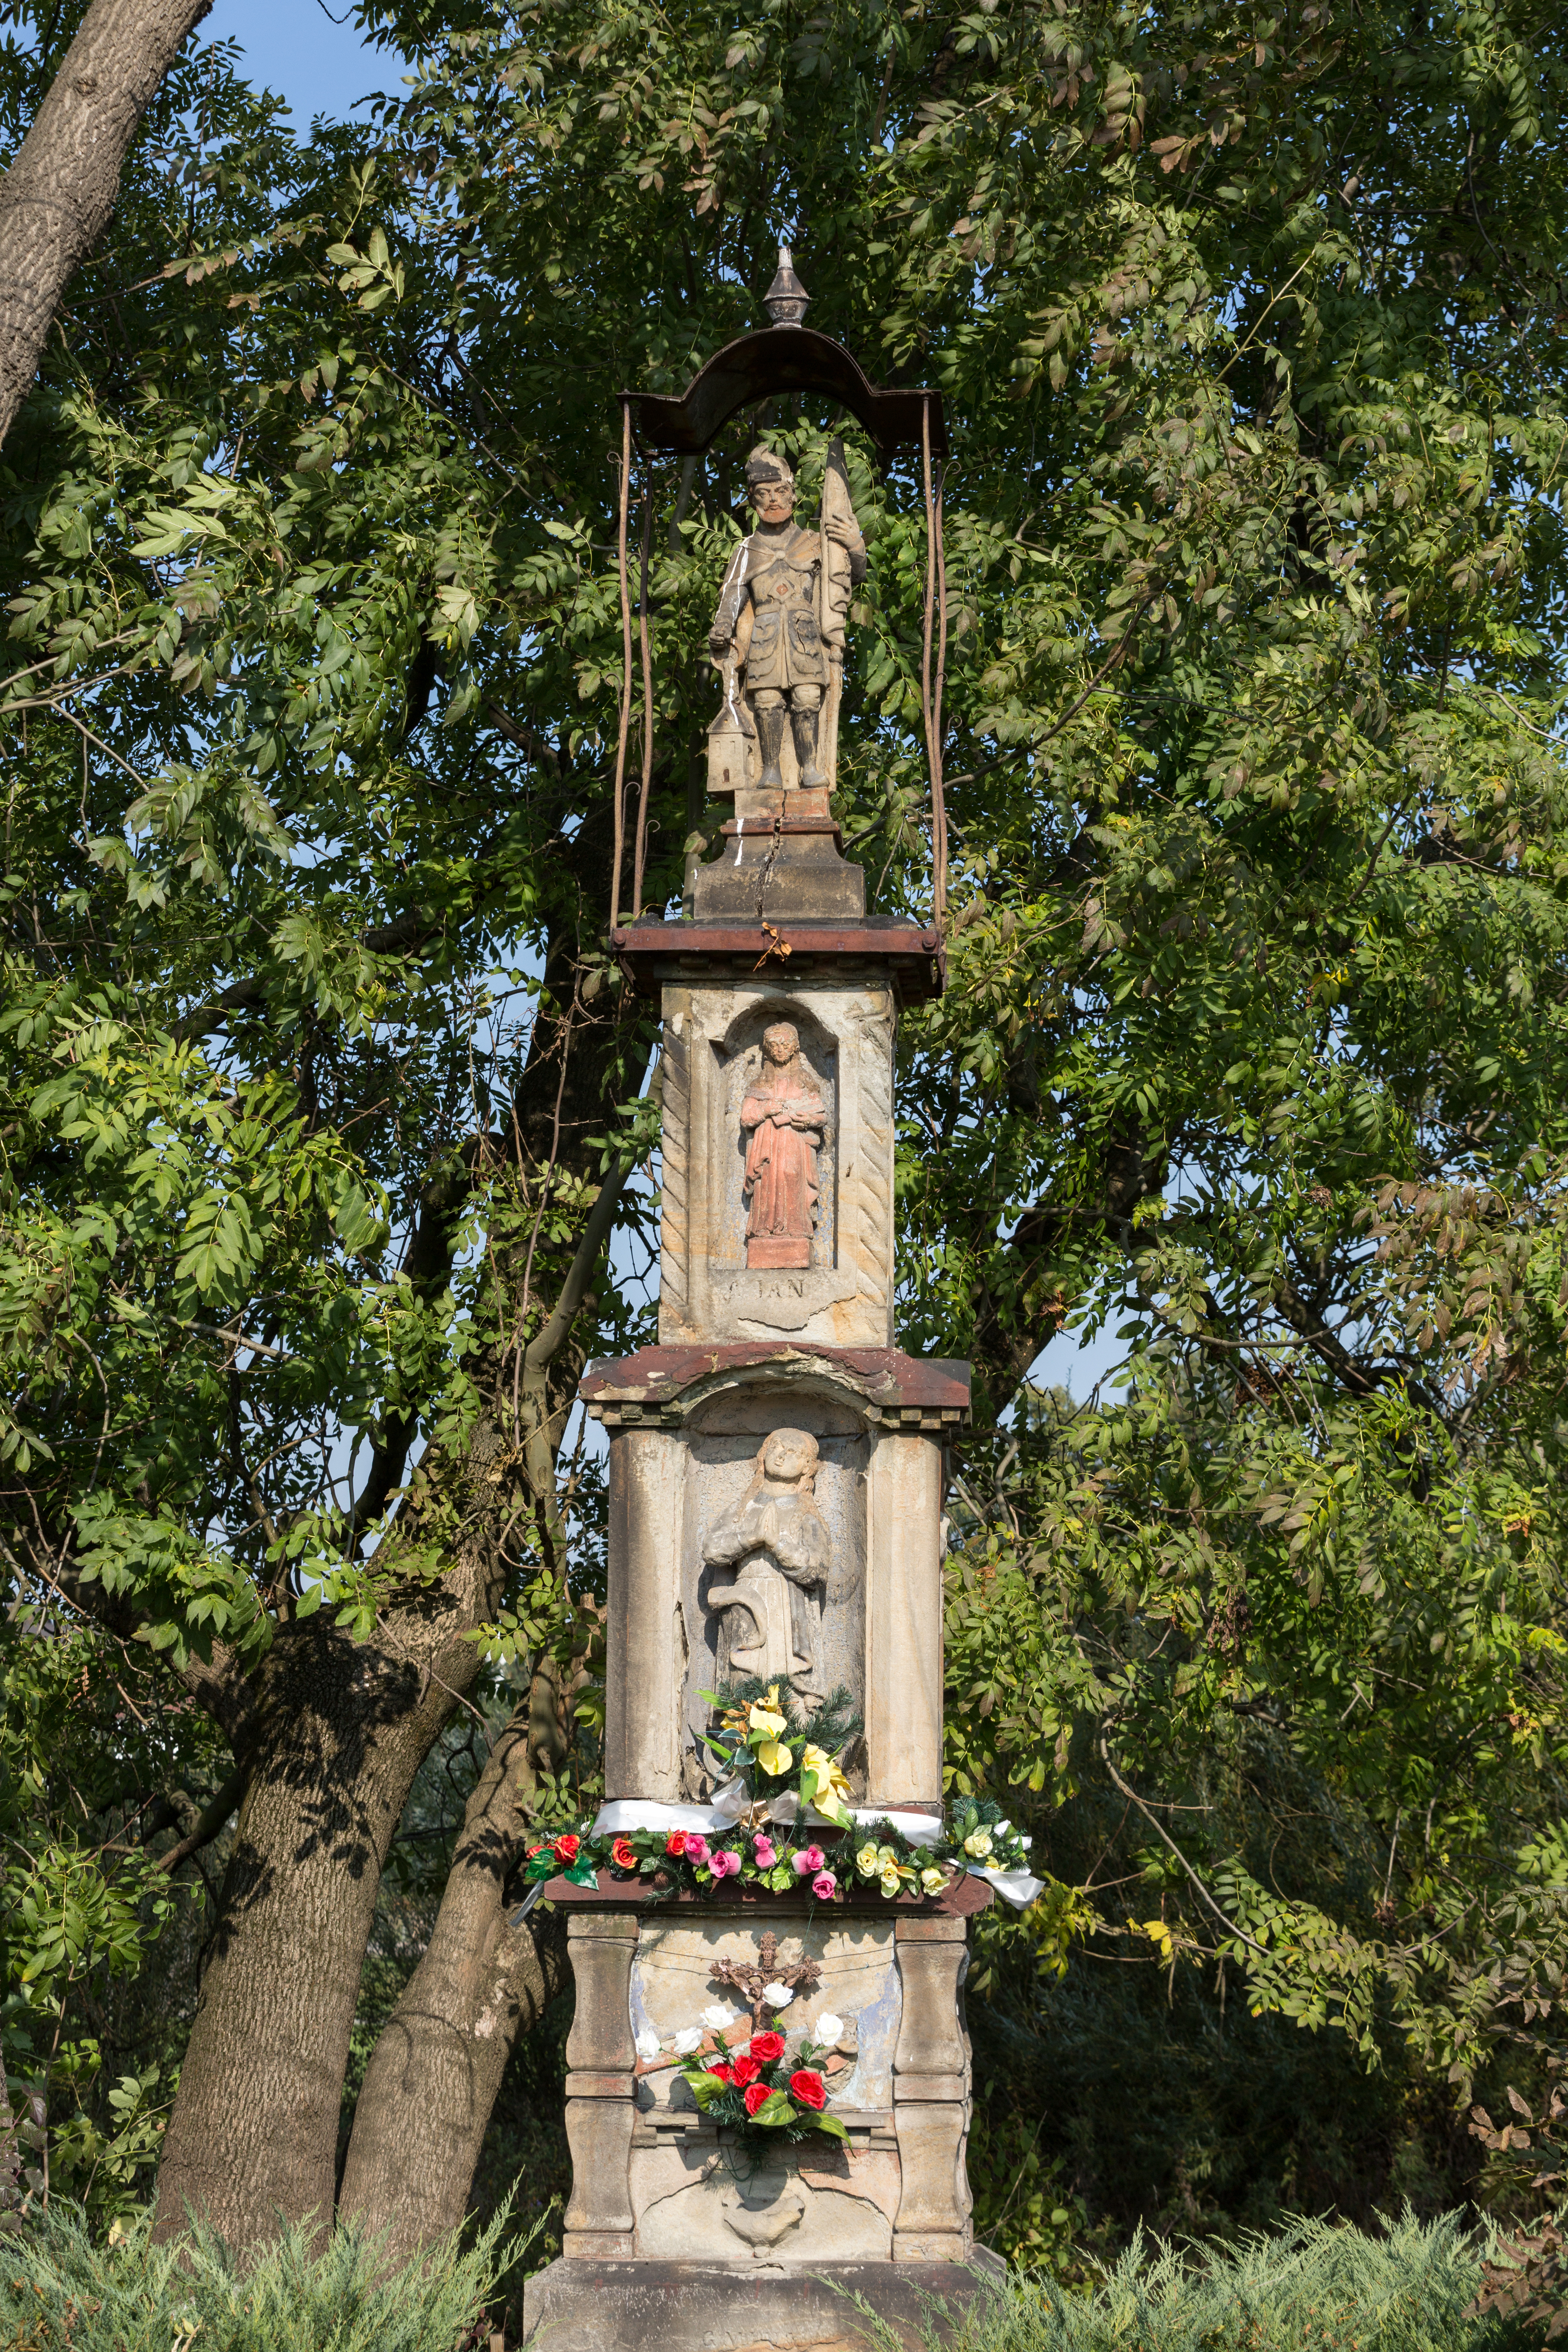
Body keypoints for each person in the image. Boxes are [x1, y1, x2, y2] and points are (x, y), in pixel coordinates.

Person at [708, 444, 866, 793]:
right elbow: (733, 593)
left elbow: (849, 578)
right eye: (763, 494)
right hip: (764, 634)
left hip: (804, 634)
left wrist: (856, 546)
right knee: (766, 702)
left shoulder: (816, 543)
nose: (773, 501)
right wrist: (721, 627)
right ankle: (770, 771)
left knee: (808, 697)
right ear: (752, 501)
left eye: (780, 492)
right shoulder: (746, 550)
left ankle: (809, 767)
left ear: (793, 495)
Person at [702, 1428, 833, 1702]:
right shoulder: (743, 1509)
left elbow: (817, 1569)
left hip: (788, 1606)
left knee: (787, 1692)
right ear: (764, 1453)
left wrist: (776, 1544)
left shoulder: (805, 1514)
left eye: (793, 1452)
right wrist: (752, 1538)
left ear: (807, 1467)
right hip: (746, 1604)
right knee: (744, 1688)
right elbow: (712, 1550)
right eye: (776, 1446)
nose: (781, 1455)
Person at [741, 1021, 824, 1270]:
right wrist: (766, 1108)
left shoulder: (805, 1081)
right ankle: (764, 1231)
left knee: (791, 1176)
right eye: (774, 1045)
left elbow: (821, 1116)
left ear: (794, 1047)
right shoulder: (761, 1083)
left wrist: (805, 1119)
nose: (779, 1049)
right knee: (766, 1182)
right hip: (767, 1142)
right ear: (768, 1049)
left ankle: (796, 1230)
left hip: (794, 1142)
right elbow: (747, 1116)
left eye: (785, 1044)